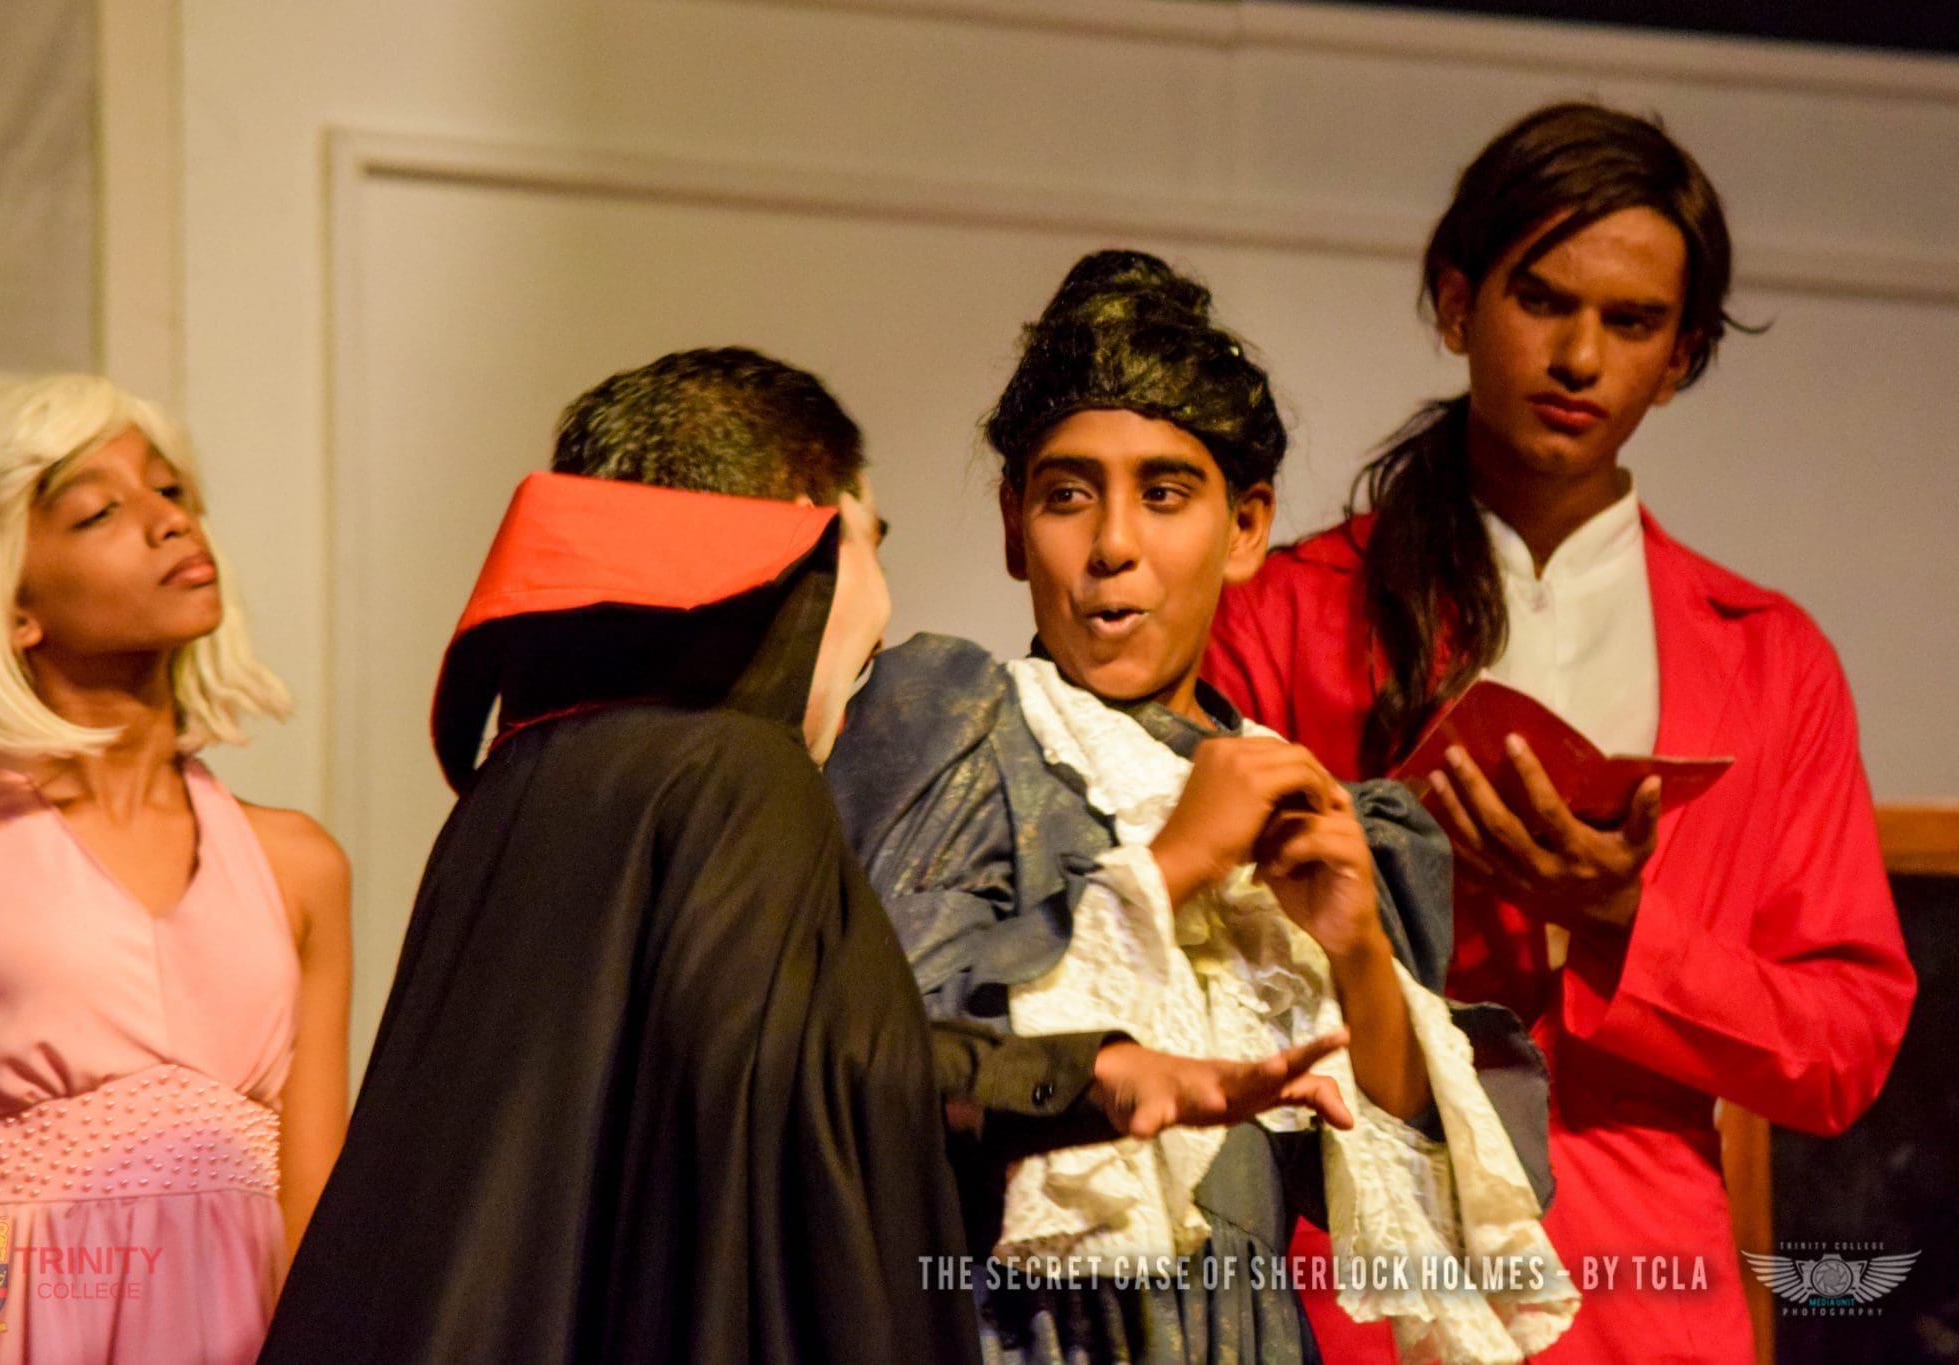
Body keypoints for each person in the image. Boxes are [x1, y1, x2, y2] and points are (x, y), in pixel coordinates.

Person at [259, 347, 1375, 1365]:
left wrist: (1089, 1075)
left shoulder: (527, 774)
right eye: (872, 542)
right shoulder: (738, 776)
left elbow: (780, 1055)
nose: (880, 617)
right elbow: (826, 1093)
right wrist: (1091, 1067)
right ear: (811, 537)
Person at [1205, 103, 1917, 1364]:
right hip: (1361, 1285)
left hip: (1644, 1296)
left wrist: (1623, 925)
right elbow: (1194, 984)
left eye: (1630, 322)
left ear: (1680, 357)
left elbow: (1839, 1051)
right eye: (1541, 300)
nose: (1579, 355)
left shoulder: (1768, 659)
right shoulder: (1285, 614)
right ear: (1455, 302)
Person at [830, 253, 1575, 1364]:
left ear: (1245, 527)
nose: (1112, 545)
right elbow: (874, 1060)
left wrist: (1358, 951)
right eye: (1067, 494)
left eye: (1165, 494)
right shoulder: (956, 730)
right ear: (1012, 525)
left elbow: (1431, 1218)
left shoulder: (1323, 815)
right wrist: (1167, 866)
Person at [0, 375, 351, 1363]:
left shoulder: (298, 864)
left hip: (238, 1323)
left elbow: (319, 1196)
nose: (168, 520)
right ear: (9, 605)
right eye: (98, 511)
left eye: (172, 489)